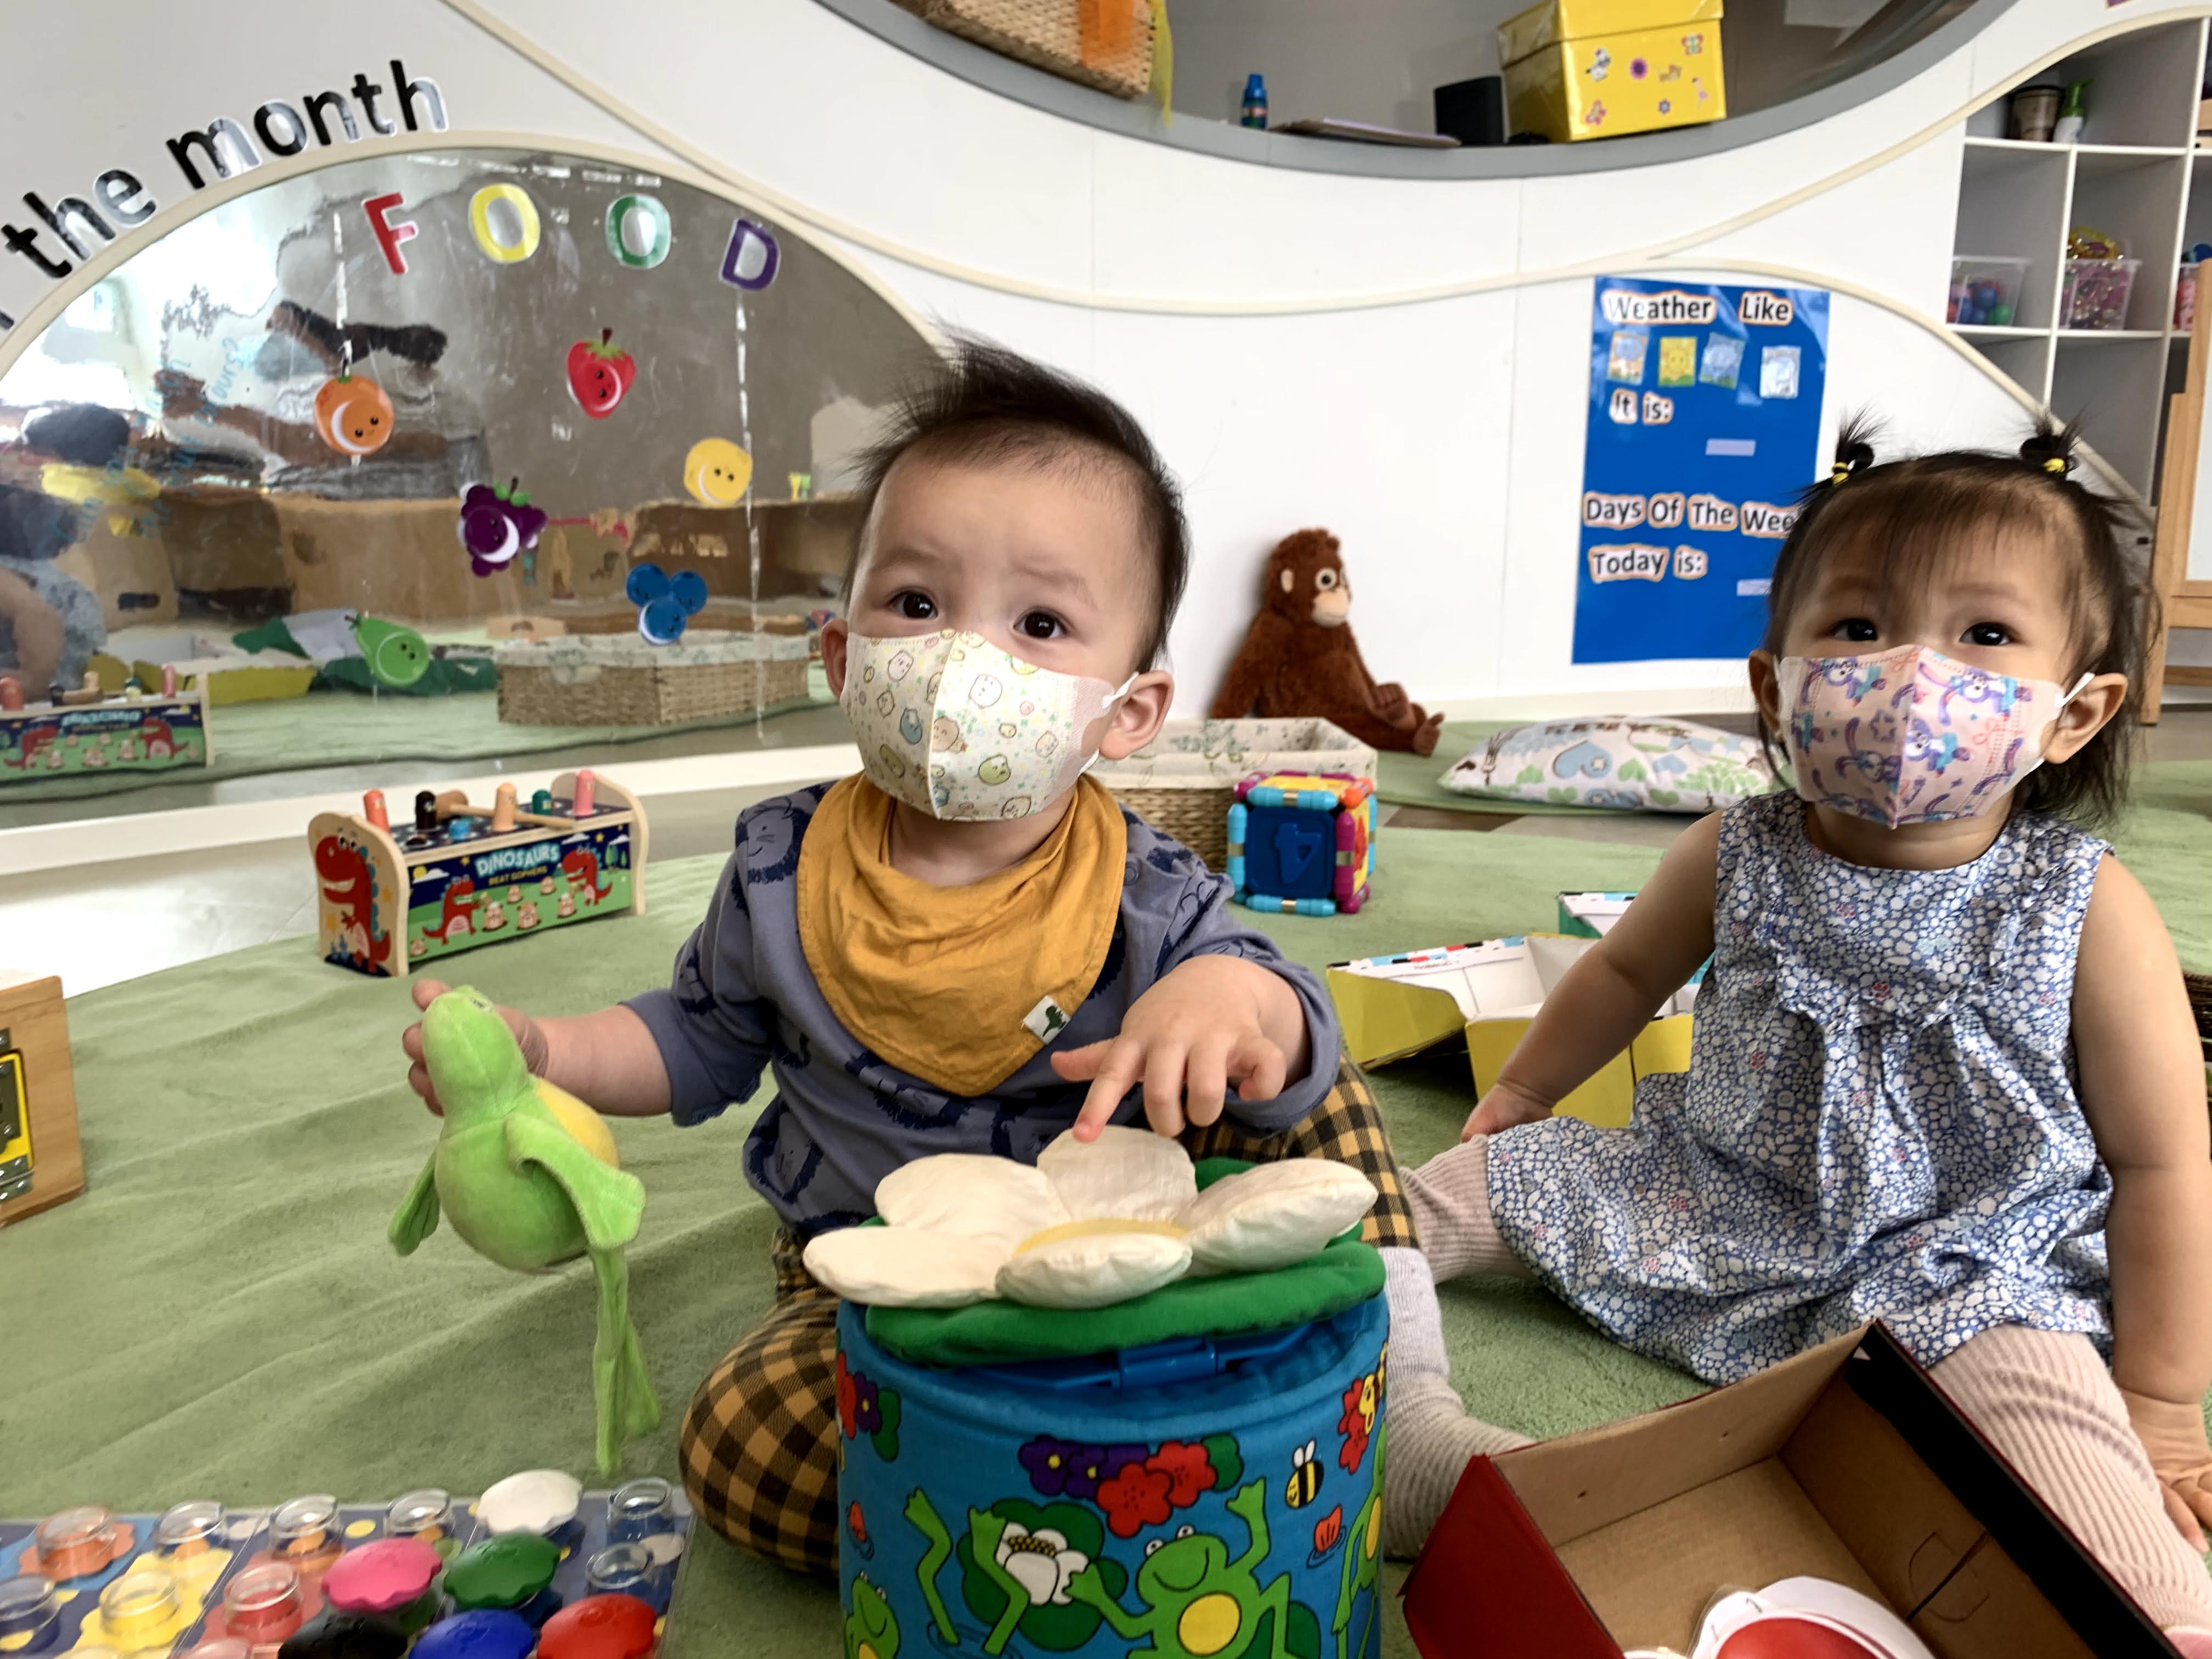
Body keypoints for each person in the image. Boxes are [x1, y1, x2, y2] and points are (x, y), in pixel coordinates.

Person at [398, 339, 1414, 1575]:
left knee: (1313, 1068)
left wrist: (1221, 994)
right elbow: (693, 1038)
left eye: (1040, 623)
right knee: (736, 1442)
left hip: (1137, 1242)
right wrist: (548, 1052)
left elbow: (1266, 1010)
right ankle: (1064, 1494)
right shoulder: (779, 870)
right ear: (843, 656)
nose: (961, 658)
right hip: (890, 1283)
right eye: (918, 604)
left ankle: (1401, 1402)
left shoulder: (1141, 885)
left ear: (1130, 713)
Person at [1380, 421, 2212, 1643]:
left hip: (1967, 1264)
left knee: (2067, 1450)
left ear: (2076, 712)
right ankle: (1413, 1430)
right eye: (1859, 626)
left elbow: (2160, 1160)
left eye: (1985, 635)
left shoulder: (2085, 903)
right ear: (1774, 686)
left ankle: (2162, 1617)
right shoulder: (1738, 847)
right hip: (1714, 1197)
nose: (1913, 672)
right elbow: (1621, 974)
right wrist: (1524, 1098)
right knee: (1401, 1203)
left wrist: (2163, 1402)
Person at [0, 404, 126, 695]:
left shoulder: (55, 502)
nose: (25, 460)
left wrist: (31, 683)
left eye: (38, 452)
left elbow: (38, 616)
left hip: (49, 685)